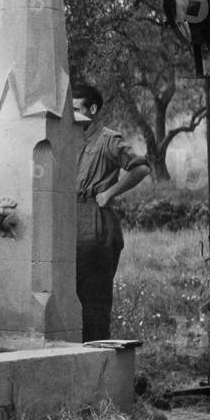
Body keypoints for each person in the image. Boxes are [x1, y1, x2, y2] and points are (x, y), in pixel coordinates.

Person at [73, 83, 151, 343]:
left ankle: (98, 366)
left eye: (76, 108)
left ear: (92, 109)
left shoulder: (107, 139)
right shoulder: (71, 139)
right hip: (71, 223)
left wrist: (109, 193)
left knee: (94, 303)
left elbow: (140, 168)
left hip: (96, 225)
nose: (70, 115)